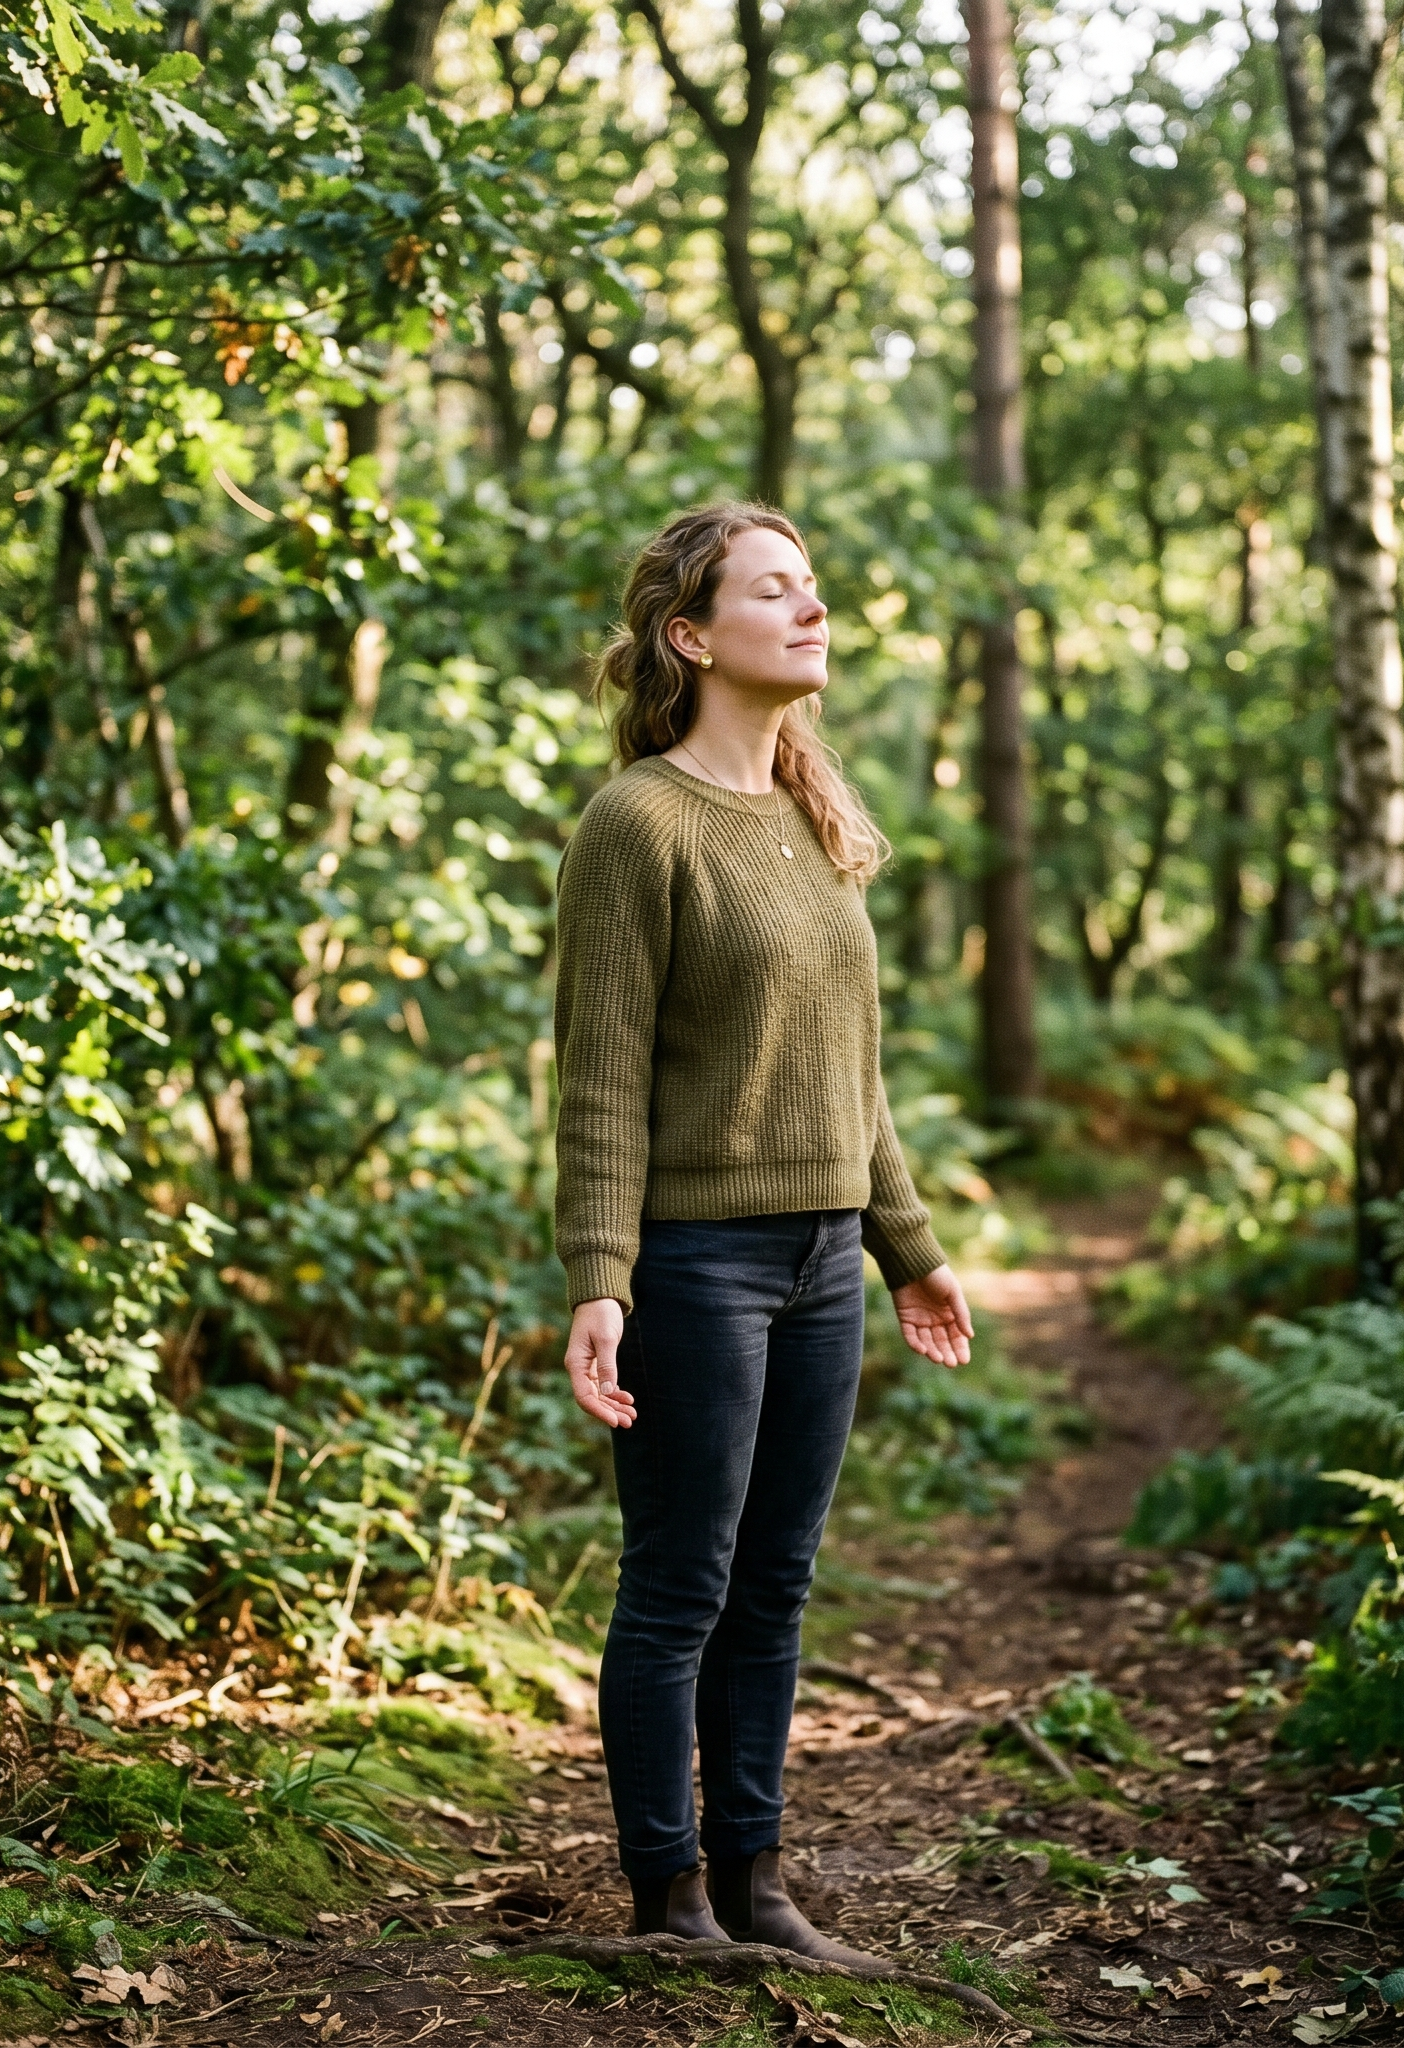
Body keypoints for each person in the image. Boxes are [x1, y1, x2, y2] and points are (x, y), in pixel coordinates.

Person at [552, 502, 975, 1957]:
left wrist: (904, 1243)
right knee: (683, 1580)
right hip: (697, 1264)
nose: (812, 613)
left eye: (816, 590)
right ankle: (667, 1897)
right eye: (775, 591)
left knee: (778, 1584)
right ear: (692, 635)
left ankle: (759, 1884)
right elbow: (601, 1078)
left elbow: (851, 1074)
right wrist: (599, 1280)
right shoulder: (638, 825)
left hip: (820, 1265)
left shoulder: (814, 807)